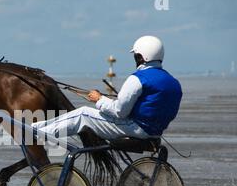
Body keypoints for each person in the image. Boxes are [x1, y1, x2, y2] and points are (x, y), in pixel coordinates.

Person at [32, 35, 182, 141]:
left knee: (83, 114)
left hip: (135, 128)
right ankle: (36, 128)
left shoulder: (137, 79)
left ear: (141, 57)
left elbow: (119, 112)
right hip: (155, 132)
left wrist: (99, 99)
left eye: (136, 56)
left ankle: (35, 132)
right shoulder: (174, 82)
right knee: (84, 114)